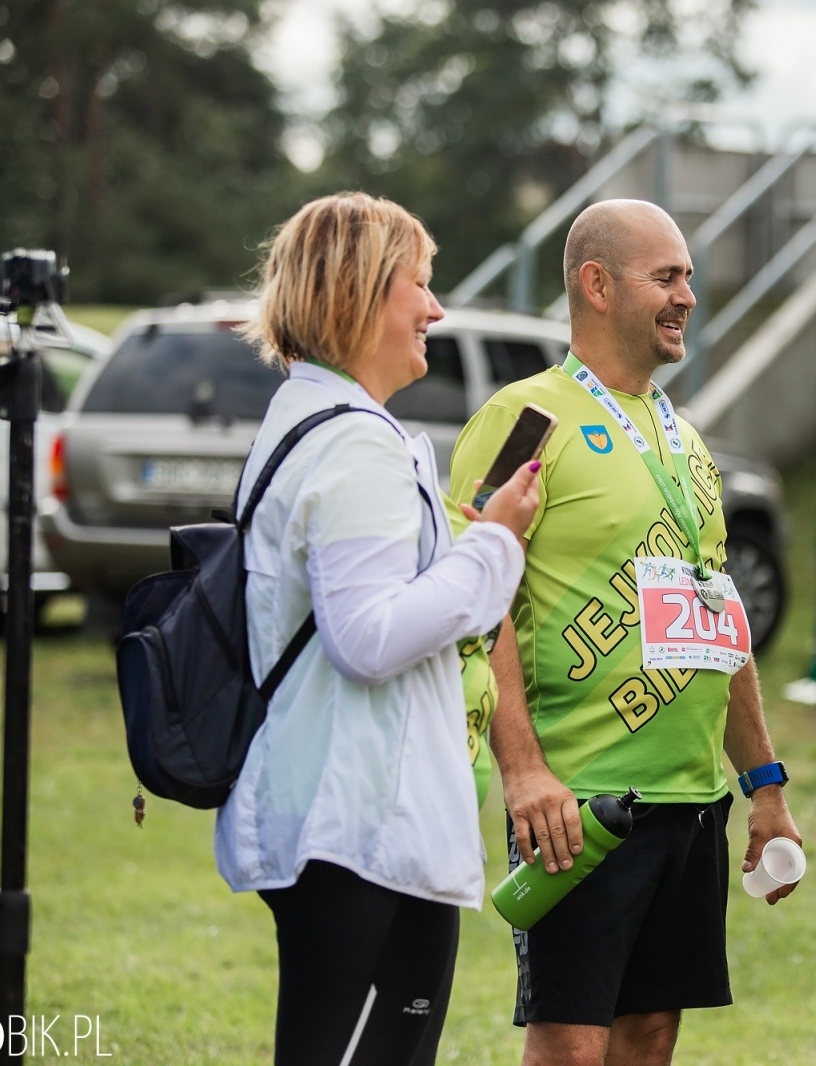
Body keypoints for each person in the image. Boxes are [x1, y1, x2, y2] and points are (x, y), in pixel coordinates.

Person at [448, 199, 801, 1066]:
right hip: (582, 804)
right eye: (666, 277)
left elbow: (720, 619)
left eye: (689, 277)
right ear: (598, 285)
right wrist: (524, 771)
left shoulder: (685, 437)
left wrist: (763, 784)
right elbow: (474, 598)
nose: (688, 297)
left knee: (649, 1037)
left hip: (691, 802)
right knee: (572, 1045)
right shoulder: (526, 418)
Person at [214, 193, 539, 1066]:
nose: (437, 309)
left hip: (354, 817)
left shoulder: (315, 421)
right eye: (420, 284)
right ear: (357, 292)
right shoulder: (354, 442)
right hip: (359, 825)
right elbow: (367, 639)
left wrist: (462, 547)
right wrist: (498, 544)